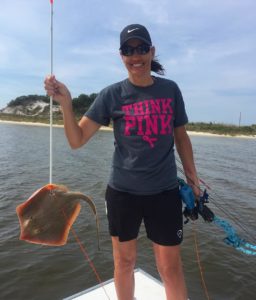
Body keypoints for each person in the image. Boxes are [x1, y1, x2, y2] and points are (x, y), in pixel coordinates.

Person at [44, 24, 200, 300]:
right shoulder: (111, 95)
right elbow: (77, 139)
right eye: (129, 50)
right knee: (124, 263)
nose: (135, 55)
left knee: (170, 267)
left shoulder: (170, 90)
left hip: (164, 193)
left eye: (141, 48)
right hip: (123, 194)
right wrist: (65, 103)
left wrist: (192, 180)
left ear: (151, 52)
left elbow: (181, 137)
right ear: (121, 55)